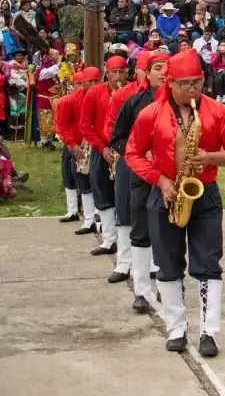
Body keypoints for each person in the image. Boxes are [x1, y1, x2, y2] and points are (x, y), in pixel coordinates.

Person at [125, 49, 225, 357]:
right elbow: (132, 154)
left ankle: (209, 333)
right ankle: (175, 327)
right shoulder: (150, 114)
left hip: (204, 193)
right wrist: (162, 182)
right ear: (170, 83)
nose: (193, 89)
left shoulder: (217, 111)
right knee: (167, 263)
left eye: (197, 82)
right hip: (165, 194)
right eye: (185, 84)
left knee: (208, 263)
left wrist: (211, 157)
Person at [110, 53, 169, 313]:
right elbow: (118, 137)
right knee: (141, 232)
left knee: (169, 233)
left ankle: (169, 288)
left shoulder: (184, 103)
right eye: (158, 68)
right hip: (142, 177)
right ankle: (142, 291)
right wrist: (138, 152)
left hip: (172, 179)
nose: (163, 72)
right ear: (146, 72)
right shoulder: (134, 102)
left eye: (168, 68)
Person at [102, 52, 152, 284]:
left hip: (156, 162)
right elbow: (110, 130)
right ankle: (123, 262)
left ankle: (152, 262)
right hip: (128, 158)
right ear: (140, 71)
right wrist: (133, 149)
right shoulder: (124, 95)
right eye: (150, 68)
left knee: (152, 209)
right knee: (124, 208)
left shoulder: (169, 96)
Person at [80, 56, 127, 256]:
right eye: (113, 72)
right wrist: (101, 147)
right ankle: (109, 240)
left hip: (126, 151)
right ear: (106, 73)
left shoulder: (132, 92)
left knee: (125, 196)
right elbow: (85, 124)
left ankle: (128, 243)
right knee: (101, 192)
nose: (117, 76)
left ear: (127, 72)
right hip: (103, 150)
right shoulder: (94, 94)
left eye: (121, 71)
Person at [54, 71, 89, 223]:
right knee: (69, 175)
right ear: (73, 85)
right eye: (78, 83)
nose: (81, 86)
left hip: (88, 144)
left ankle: (90, 213)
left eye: (83, 83)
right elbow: (61, 124)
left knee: (87, 180)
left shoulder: (92, 99)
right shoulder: (66, 101)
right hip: (71, 144)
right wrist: (68, 142)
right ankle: (72, 209)